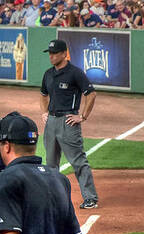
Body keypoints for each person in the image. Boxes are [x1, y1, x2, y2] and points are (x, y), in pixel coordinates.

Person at [39, 39, 99, 209]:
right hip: (51, 122)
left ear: (64, 54)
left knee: (78, 161)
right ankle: (52, 198)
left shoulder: (75, 73)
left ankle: (90, 198)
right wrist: (44, 112)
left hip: (68, 122)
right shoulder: (48, 74)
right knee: (50, 164)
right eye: (49, 53)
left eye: (54, 53)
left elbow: (91, 94)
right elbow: (43, 94)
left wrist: (83, 116)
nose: (51, 56)